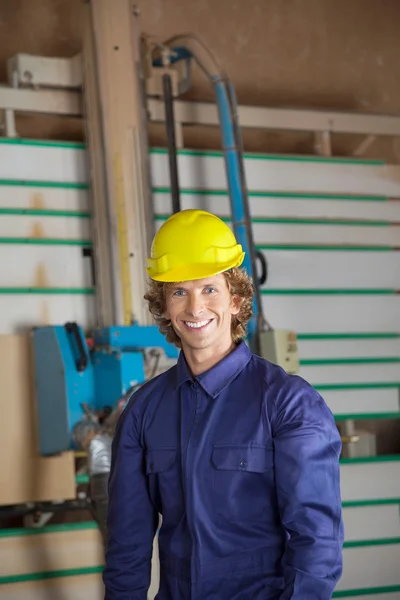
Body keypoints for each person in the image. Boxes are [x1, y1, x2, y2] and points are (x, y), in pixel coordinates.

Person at [103, 209, 344, 599]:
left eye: (209, 289)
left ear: (236, 300)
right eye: (179, 291)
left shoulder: (288, 404)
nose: (195, 308)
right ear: (164, 306)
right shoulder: (144, 410)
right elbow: (126, 545)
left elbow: (316, 541)